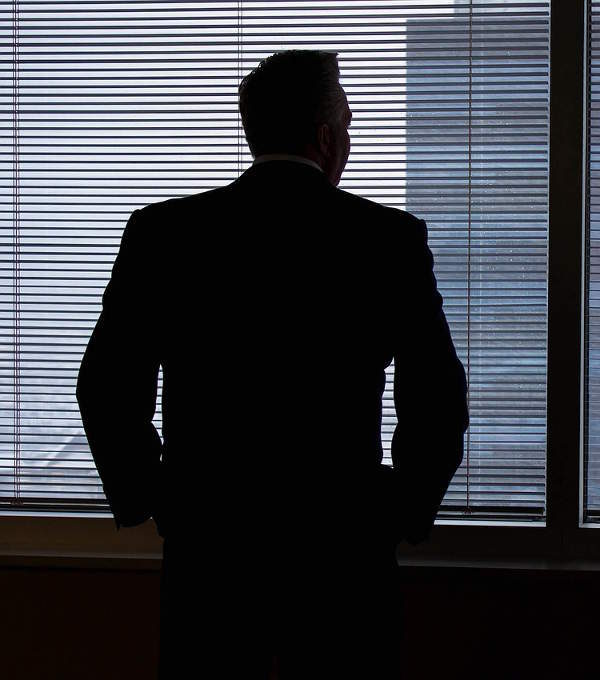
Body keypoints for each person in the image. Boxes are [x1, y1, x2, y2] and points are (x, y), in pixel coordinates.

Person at [75, 49, 469, 679]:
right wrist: (399, 512)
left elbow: (105, 387)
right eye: (348, 124)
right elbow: (438, 397)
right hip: (343, 553)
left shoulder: (165, 234)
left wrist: (155, 498)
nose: (350, 140)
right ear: (325, 137)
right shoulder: (386, 241)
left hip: (210, 553)